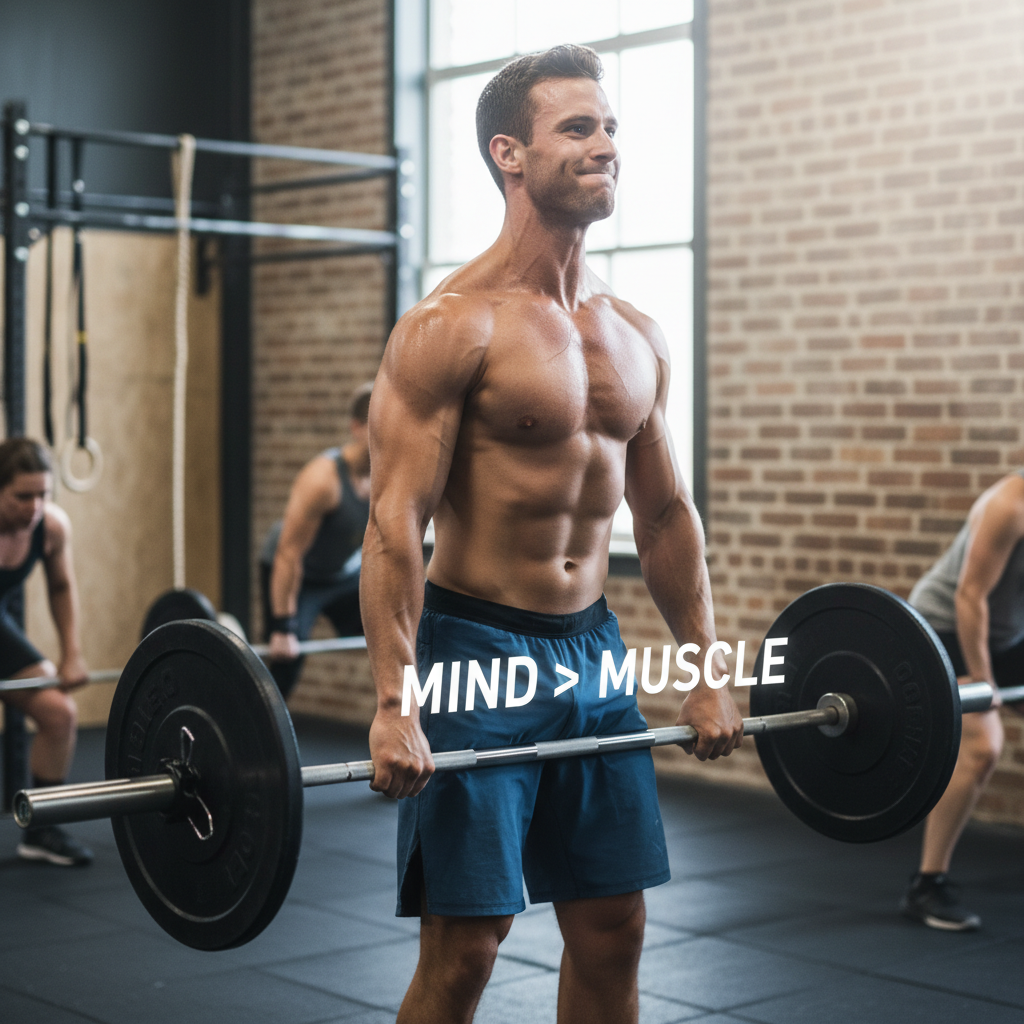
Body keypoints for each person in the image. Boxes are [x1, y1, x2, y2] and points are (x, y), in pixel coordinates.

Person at [360, 44, 743, 1024]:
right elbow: (395, 521)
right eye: (577, 127)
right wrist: (395, 699)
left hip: (591, 654)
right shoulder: (449, 327)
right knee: (467, 949)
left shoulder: (633, 332)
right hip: (474, 651)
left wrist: (706, 664)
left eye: (610, 127)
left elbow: (661, 516)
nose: (605, 145)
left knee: (614, 927)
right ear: (509, 155)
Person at [900, 469, 1024, 931]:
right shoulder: (1008, 506)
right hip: (948, 627)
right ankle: (927, 883)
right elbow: (971, 595)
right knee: (982, 748)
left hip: (1009, 634)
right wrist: (985, 684)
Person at [0, 438, 92, 866]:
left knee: (60, 714)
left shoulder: (51, 527)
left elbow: (61, 587)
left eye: (43, 494)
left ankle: (42, 830)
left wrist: (71, 653)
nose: (34, 506)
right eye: (23, 496)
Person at [260, 382, 372, 698]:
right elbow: (288, 555)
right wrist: (283, 627)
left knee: (393, 637)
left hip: (343, 575)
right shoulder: (322, 480)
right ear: (355, 427)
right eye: (377, 427)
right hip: (297, 574)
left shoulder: (387, 476)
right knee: (286, 663)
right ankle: (251, 739)